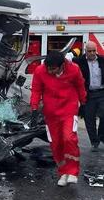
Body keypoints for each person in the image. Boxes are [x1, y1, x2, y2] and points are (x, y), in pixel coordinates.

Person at [30, 50, 86, 187]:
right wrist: (34, 108)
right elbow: (36, 90)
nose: (50, 71)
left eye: (53, 68)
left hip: (69, 109)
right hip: (51, 113)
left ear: (62, 65)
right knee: (56, 144)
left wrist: (83, 102)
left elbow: (80, 86)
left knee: (69, 138)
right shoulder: (40, 71)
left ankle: (72, 171)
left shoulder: (74, 69)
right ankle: (63, 172)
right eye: (48, 68)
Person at [73, 41, 104, 152]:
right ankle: (94, 142)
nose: (92, 53)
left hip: (101, 92)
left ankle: (101, 135)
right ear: (85, 51)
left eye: (94, 51)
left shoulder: (102, 60)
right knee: (89, 119)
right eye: (89, 51)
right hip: (88, 94)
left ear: (97, 50)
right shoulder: (78, 61)